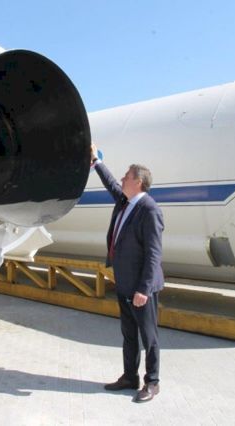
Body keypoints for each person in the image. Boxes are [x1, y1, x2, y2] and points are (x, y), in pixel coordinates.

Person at [90, 143, 164, 403]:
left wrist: (144, 289)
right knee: (129, 334)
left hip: (142, 287)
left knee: (149, 336)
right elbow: (111, 183)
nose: (122, 179)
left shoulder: (149, 210)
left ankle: (152, 382)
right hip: (124, 282)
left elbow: (154, 253)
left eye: (126, 176)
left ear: (138, 182)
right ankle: (130, 377)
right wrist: (96, 161)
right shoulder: (126, 201)